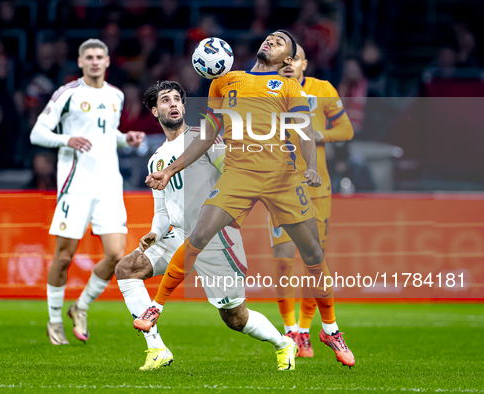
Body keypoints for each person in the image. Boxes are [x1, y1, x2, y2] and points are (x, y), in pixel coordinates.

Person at [136, 30, 355, 367]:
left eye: (281, 41)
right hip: (239, 174)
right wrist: (169, 170)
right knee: (198, 235)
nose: (271, 40)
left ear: (288, 60)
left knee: (312, 254)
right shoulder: (225, 80)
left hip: (283, 178)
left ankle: (330, 328)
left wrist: (310, 167)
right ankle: (156, 307)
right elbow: (208, 134)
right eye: (270, 37)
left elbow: (303, 131)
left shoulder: (289, 87)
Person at [115, 80, 296, 371]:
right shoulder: (156, 160)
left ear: (184, 107)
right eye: (165, 100)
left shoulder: (204, 139)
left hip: (215, 238)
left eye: (177, 99)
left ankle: (284, 343)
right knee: (127, 268)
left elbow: (233, 173)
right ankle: (156, 348)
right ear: (153, 110)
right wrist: (155, 232)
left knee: (235, 318)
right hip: (177, 237)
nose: (173, 104)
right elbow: (162, 210)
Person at [30, 38, 145, 345]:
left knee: (116, 255)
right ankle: (54, 321)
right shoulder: (67, 93)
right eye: (89, 57)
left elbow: (106, 134)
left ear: (107, 62)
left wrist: (126, 139)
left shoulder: (116, 96)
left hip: (109, 185)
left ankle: (80, 307)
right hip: (76, 185)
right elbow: (37, 132)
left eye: (99, 57)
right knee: (64, 257)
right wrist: (66, 140)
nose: (95, 61)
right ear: (81, 62)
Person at [270, 44, 354, 357]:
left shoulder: (322, 89)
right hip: (280, 186)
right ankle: (289, 328)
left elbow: (346, 129)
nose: (289, 63)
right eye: (284, 59)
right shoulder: (269, 91)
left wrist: (320, 135)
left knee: (313, 261)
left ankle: (305, 331)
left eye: (295, 58)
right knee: (282, 259)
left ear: (305, 63)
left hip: (317, 188)